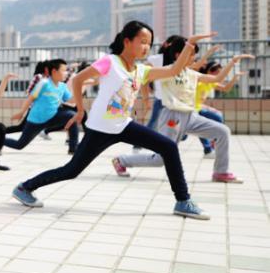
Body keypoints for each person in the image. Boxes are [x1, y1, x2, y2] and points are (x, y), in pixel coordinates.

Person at [12, 21, 215, 220]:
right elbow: (78, 79)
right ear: (127, 41)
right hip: (100, 129)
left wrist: (189, 45)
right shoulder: (110, 62)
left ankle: (183, 201)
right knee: (71, 170)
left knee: (169, 147)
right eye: (143, 41)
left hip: (123, 125)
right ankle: (24, 187)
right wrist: (80, 109)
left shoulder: (141, 70)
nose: (146, 47)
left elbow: (173, 70)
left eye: (149, 43)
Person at [112, 39, 250, 184]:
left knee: (222, 132)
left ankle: (220, 172)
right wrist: (146, 98)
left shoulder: (192, 74)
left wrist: (232, 62)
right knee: (161, 159)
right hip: (172, 117)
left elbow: (217, 78)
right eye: (192, 54)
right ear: (179, 55)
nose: (194, 58)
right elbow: (144, 77)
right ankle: (121, 160)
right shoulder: (168, 71)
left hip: (191, 116)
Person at [3, 59, 79, 153]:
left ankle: (73, 148)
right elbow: (30, 98)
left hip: (52, 117)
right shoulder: (44, 83)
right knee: (19, 145)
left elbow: (71, 100)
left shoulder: (62, 86)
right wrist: (21, 112)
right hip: (36, 120)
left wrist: (79, 89)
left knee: (72, 115)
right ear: (54, 71)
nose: (66, 73)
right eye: (64, 70)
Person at [193, 60, 244, 157]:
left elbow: (226, 89)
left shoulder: (211, 83)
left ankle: (211, 145)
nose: (219, 75)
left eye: (219, 73)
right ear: (209, 71)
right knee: (191, 131)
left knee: (218, 117)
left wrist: (235, 77)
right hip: (191, 110)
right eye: (217, 73)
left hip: (198, 108)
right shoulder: (200, 81)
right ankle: (209, 148)